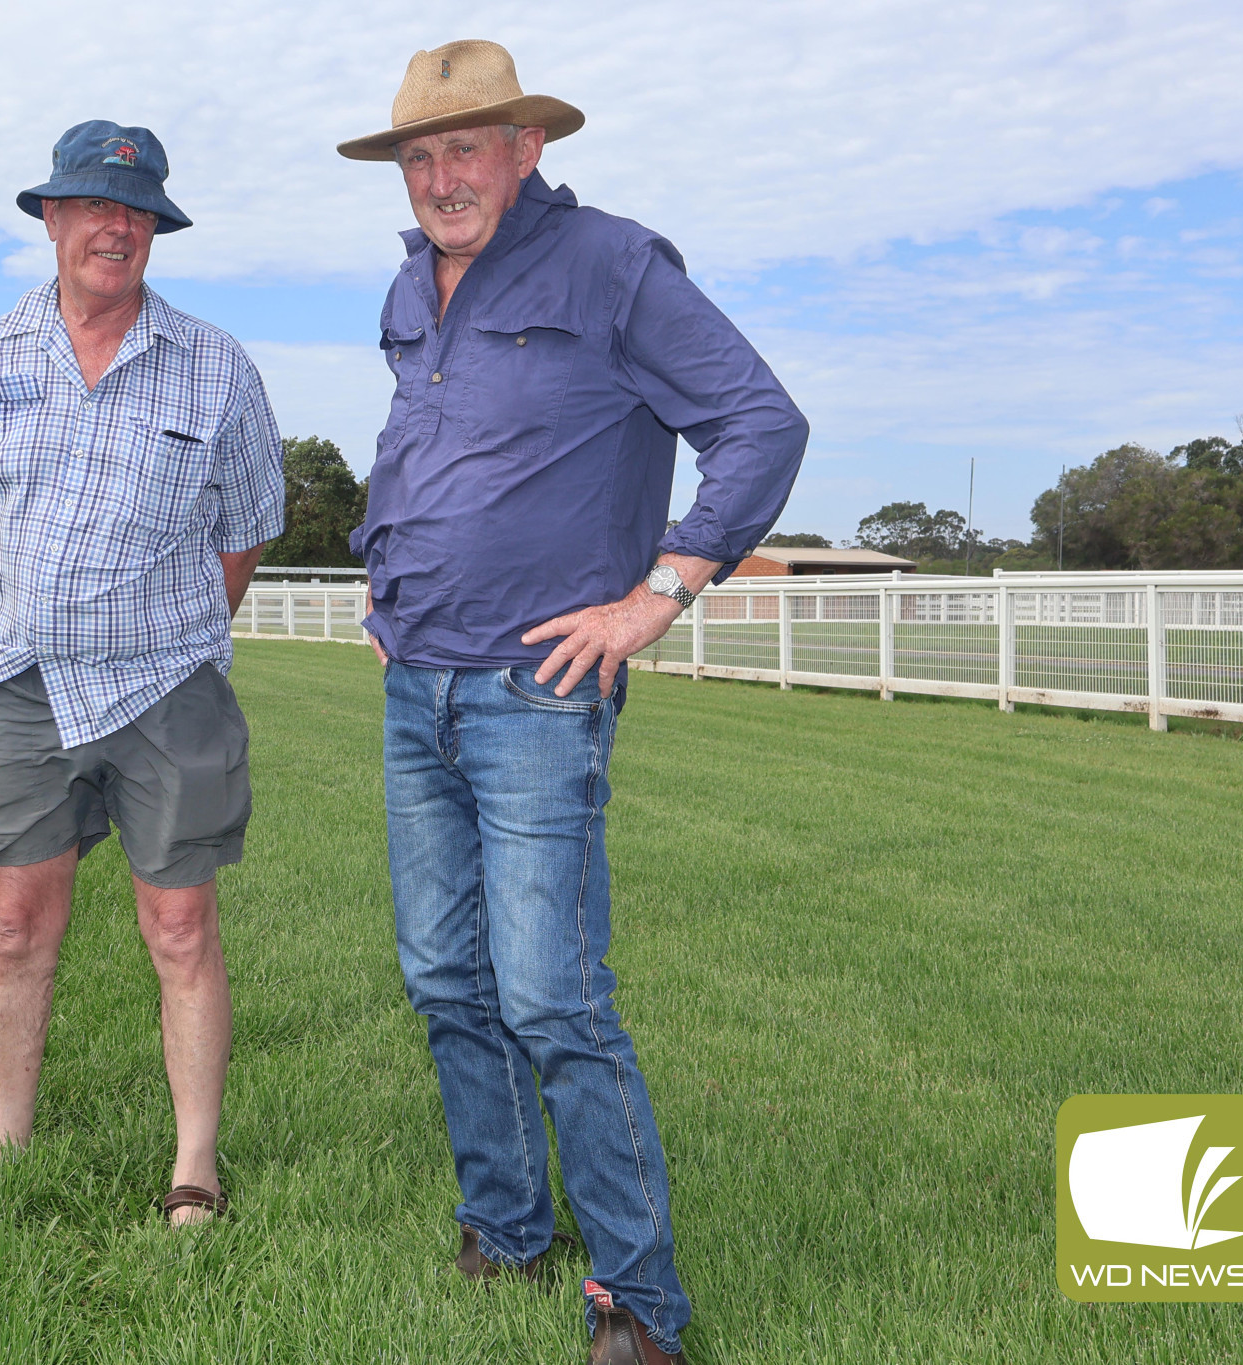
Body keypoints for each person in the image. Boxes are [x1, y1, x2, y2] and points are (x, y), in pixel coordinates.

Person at [339, 41, 808, 1365]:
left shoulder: (612, 265)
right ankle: (504, 1220)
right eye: (421, 155)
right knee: (444, 974)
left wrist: (657, 593)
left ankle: (640, 1305)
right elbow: (414, 443)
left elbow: (760, 424)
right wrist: (385, 587)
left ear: (528, 147)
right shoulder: (407, 288)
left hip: (539, 688)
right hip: (415, 676)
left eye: (467, 147)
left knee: (550, 995)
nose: (443, 177)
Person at [0, 120, 285, 1225]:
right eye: (91, 206)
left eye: (134, 212)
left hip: (164, 687)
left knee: (180, 929)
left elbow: (244, 530)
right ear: (49, 217)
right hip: (19, 682)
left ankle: (194, 1170)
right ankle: (8, 1153)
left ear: (155, 229)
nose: (113, 227)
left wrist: (161, 627)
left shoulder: (216, 366)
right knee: (14, 925)